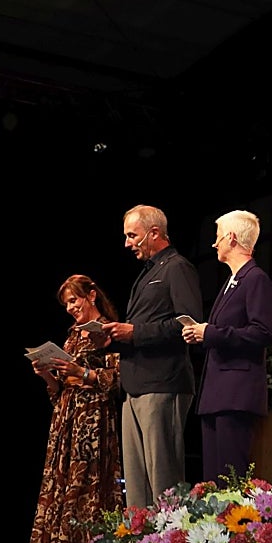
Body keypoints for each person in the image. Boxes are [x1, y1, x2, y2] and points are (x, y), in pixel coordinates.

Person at [102, 204, 202, 508]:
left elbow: (188, 321)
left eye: (132, 235)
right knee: (136, 487)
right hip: (135, 388)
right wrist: (112, 337)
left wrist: (134, 332)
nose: (127, 243)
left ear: (154, 232)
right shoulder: (149, 272)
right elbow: (143, 326)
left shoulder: (177, 267)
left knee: (164, 482)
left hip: (163, 384)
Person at [25, 274, 123, 543]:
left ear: (91, 295)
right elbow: (58, 393)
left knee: (88, 485)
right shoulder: (71, 336)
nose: (70, 307)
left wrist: (82, 372)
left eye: (73, 300)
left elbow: (119, 379)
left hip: (92, 418)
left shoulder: (107, 331)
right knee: (63, 484)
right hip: (67, 419)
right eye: (66, 303)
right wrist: (46, 374)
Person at [181, 210, 272, 483]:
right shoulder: (232, 282)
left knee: (229, 478)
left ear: (231, 238)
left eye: (217, 237)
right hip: (217, 394)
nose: (214, 244)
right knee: (213, 482)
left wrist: (210, 332)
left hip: (236, 395)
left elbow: (263, 332)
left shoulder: (255, 278)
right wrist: (201, 334)